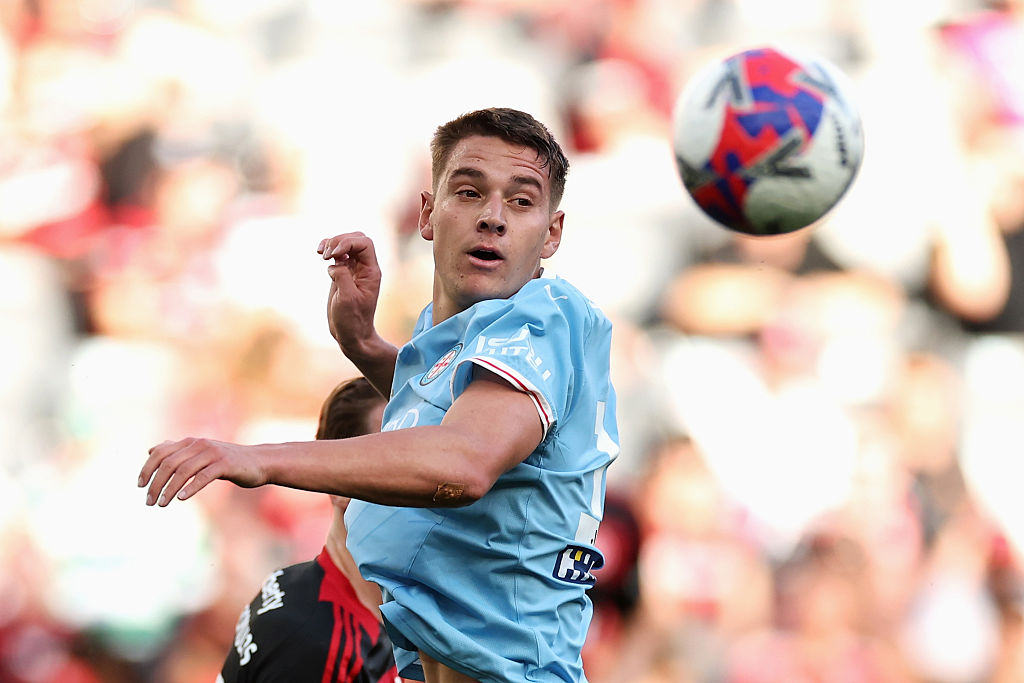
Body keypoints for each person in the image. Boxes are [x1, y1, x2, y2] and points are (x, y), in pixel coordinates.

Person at [139, 107, 620, 683]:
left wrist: (258, 458)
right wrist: (363, 343)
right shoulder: (458, 339)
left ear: (552, 233)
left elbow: (464, 461)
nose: (494, 217)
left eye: (521, 201)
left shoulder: (548, 317)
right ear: (426, 214)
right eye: (469, 192)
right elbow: (449, 425)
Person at [217, 376, 400, 683]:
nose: (419, 479)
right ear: (339, 485)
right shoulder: (317, 641)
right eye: (394, 462)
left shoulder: (310, 590)